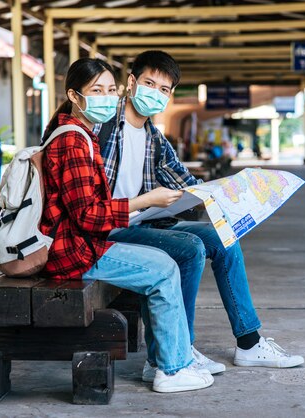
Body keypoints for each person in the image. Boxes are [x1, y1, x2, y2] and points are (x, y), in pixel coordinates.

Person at [98, 50, 304, 380]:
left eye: (164, 89)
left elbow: (186, 182)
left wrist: (229, 193)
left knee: (224, 237)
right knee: (189, 247)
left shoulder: (153, 138)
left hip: (141, 222)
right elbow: (90, 203)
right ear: (131, 82)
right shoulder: (104, 128)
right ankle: (177, 350)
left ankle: (249, 343)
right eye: (149, 83)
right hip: (108, 227)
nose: (156, 93)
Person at [39, 57, 213, 393]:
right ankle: (172, 369)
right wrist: (145, 202)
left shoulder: (84, 134)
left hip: (86, 242)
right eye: (96, 91)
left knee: (167, 261)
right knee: (163, 268)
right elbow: (88, 216)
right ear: (75, 96)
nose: (106, 97)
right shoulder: (73, 141)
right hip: (75, 250)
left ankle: (168, 361)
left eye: (109, 90)